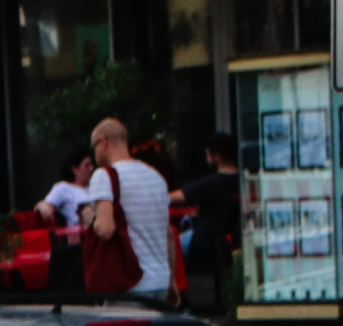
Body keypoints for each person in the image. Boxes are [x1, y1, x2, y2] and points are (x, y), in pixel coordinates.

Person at [87, 117, 173, 299]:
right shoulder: (155, 176)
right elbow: (169, 235)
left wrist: (91, 217)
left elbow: (106, 229)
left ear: (103, 143)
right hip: (161, 281)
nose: (94, 154)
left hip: (131, 283)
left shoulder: (104, 175)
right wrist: (172, 280)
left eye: (94, 147)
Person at [172, 133, 243, 308]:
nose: (206, 157)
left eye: (208, 153)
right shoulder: (242, 181)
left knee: (169, 243)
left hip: (204, 241)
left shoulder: (212, 183)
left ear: (216, 155)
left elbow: (172, 198)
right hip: (226, 241)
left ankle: (177, 295)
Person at [36, 154, 95, 228]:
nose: (91, 168)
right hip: (78, 235)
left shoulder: (94, 186)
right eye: (87, 166)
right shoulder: (63, 188)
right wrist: (41, 206)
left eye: (91, 165)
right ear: (75, 169)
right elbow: (44, 205)